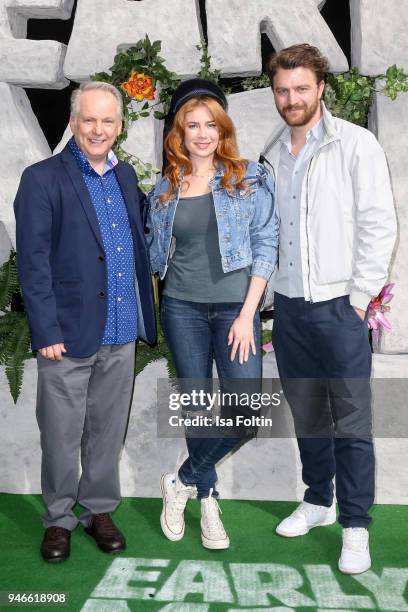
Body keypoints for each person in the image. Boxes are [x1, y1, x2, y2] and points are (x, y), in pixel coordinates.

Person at [260, 44, 396, 574]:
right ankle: (318, 500)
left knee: (352, 421)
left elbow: (379, 224)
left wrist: (360, 300)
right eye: (282, 90)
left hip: (342, 308)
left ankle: (356, 527)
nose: (291, 99)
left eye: (300, 88)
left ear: (321, 88)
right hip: (290, 310)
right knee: (310, 415)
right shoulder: (271, 154)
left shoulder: (355, 145)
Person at [14, 81, 155, 563]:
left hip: (119, 329)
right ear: (73, 122)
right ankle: (58, 519)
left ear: (119, 126)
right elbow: (32, 261)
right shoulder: (42, 178)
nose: (98, 129)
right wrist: (45, 329)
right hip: (66, 335)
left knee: (107, 429)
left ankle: (98, 510)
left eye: (108, 121)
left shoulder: (125, 177)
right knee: (60, 433)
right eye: (89, 119)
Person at [146, 78, 278, 549]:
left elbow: (266, 245)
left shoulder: (249, 178)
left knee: (246, 414)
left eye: (210, 125)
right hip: (181, 309)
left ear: (222, 129)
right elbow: (153, 253)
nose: (201, 134)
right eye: (191, 125)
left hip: (234, 312)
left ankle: (179, 481)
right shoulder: (165, 187)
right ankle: (208, 501)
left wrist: (248, 314)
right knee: (199, 411)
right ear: (178, 133)